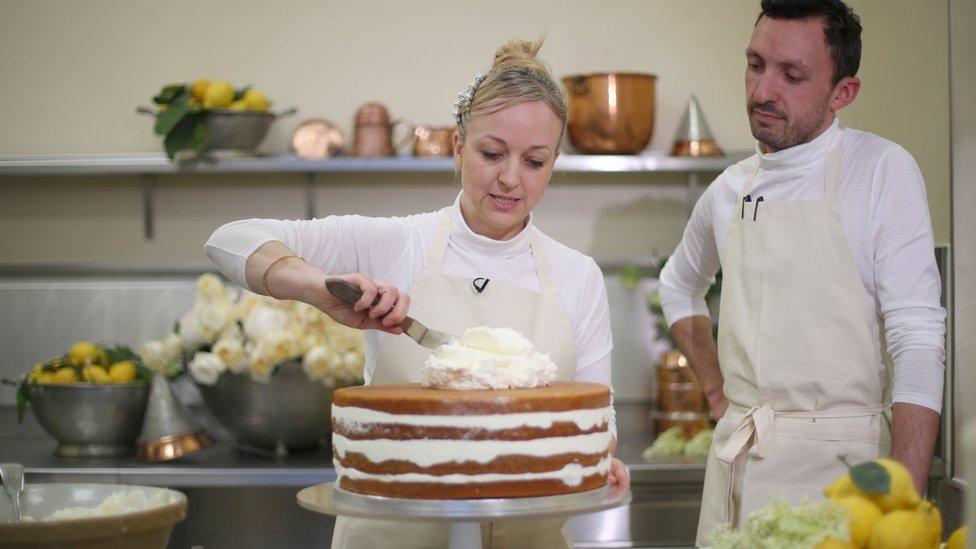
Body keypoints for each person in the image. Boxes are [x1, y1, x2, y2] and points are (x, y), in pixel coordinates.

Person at [205, 38, 628, 549]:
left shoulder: (577, 275)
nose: (510, 179)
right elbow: (228, 241)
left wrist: (603, 459)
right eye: (491, 153)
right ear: (457, 147)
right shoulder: (394, 244)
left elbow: (596, 417)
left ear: (554, 163)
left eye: (534, 162)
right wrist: (321, 289)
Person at [658, 0, 947, 543]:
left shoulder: (881, 170)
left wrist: (902, 503)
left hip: (848, 475)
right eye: (755, 64)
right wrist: (719, 394)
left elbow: (918, 338)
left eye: (792, 75)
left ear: (843, 93)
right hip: (738, 468)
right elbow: (677, 285)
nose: (763, 91)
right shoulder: (728, 190)